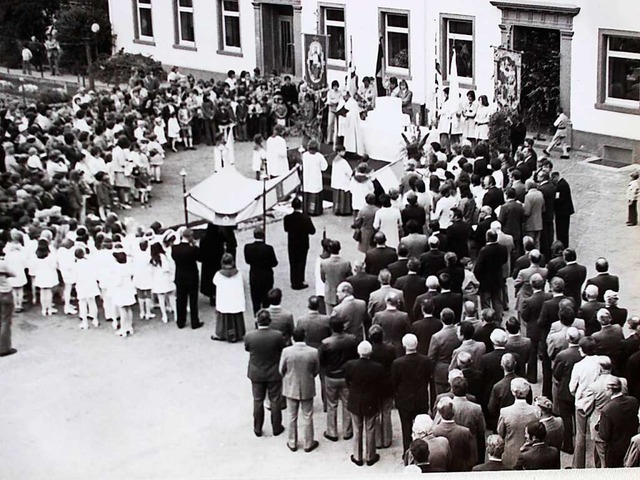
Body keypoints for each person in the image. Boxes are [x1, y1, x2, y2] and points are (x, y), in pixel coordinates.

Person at [244, 309, 286, 438]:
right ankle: (276, 427)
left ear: (257, 321)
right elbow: (282, 349)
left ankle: (257, 428)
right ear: (270, 321)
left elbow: (247, 348)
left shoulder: (250, 336)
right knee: (275, 400)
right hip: (273, 372)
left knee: (258, 400)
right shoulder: (277, 335)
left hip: (256, 372)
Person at [279, 327, 320, 453]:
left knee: (292, 415)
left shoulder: (286, 351)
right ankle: (309, 442)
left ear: (293, 337)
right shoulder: (313, 352)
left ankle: (292, 442)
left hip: (291, 386)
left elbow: (281, 369)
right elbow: (316, 369)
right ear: (305, 336)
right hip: (307, 385)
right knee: (307, 415)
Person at [344, 341, 385, 466]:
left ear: (358, 352)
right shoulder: (377, 367)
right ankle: (370, 456)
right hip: (371, 401)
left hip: (355, 400)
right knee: (370, 428)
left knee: (357, 429)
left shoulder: (350, 365)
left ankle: (357, 456)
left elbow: (347, 381)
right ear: (370, 352)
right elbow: (380, 385)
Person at [319, 316, 358, 443]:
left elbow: (322, 360)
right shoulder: (351, 339)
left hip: (331, 376)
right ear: (343, 326)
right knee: (347, 403)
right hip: (346, 376)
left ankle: (332, 431)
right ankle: (347, 431)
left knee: (331, 404)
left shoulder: (326, 343)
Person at [598, 376, 640, 467]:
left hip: (615, 452)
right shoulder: (633, 401)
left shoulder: (607, 409)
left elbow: (604, 435)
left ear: (610, 390)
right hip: (631, 447)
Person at [497, 378, 538, 469]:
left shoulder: (505, 412)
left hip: (511, 453)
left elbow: (500, 433)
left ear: (513, 392)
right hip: (531, 453)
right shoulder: (535, 411)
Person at [432, 397, 477, 471]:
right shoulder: (465, 432)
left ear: (439, 413)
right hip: (461, 471)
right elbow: (473, 457)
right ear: (454, 412)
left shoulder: (434, 431)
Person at [172, 228, 203, 329]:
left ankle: (180, 321)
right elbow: (200, 258)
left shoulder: (175, 248)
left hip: (180, 276)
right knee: (193, 300)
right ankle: (194, 321)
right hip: (192, 276)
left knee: (180, 299)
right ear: (190, 237)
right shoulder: (193, 249)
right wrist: (195, 245)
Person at [211, 254, 246, 343]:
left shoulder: (218, 274)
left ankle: (222, 334)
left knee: (224, 316)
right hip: (235, 299)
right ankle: (238, 333)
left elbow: (215, 282)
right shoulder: (238, 274)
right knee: (236, 316)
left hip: (225, 299)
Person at [474, 230, 508, 319]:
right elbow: (504, 260)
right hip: (497, 279)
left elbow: (478, 267)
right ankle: (498, 320)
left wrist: (478, 278)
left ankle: (487, 320)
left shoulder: (484, 251)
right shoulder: (502, 248)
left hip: (485, 281)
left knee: (486, 303)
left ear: (487, 238)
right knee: (497, 301)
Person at [283, 197, 316, 290]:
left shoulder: (287, 218)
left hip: (292, 243)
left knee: (293, 262)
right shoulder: (305, 218)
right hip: (303, 243)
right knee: (301, 262)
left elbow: (286, 229)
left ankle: (293, 281)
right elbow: (312, 231)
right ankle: (300, 280)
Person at [244, 226, 278, 314]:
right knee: (267, 301)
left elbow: (247, 261)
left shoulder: (248, 247)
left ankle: (257, 319)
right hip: (267, 277)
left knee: (255, 301)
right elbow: (274, 263)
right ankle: (265, 318)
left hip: (254, 276)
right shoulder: (268, 248)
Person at [428, 309, 462, 395]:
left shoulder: (436, 337)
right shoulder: (459, 333)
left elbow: (431, 357)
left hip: (441, 372)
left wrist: (430, 372)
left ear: (441, 319)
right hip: (457, 368)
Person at [372, 293, 411, 358]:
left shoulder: (378, 316)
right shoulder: (404, 316)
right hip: (400, 349)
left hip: (383, 349)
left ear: (386, 301)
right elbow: (408, 332)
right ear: (397, 302)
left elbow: (373, 332)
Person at [320, 240, 352, 315]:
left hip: (329, 293)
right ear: (339, 249)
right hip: (343, 293)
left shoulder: (324, 263)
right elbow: (349, 278)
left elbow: (323, 278)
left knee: (330, 316)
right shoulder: (346, 263)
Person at [301, 139, 328, 216]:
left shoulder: (304, 155)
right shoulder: (319, 156)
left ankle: (306, 210)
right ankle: (314, 211)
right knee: (315, 194)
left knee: (307, 194)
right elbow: (324, 167)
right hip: (316, 179)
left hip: (307, 179)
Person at [0, 243, 16, 357]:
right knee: (5, 320)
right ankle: (4, 348)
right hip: (4, 292)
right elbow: (14, 273)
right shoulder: (2, 263)